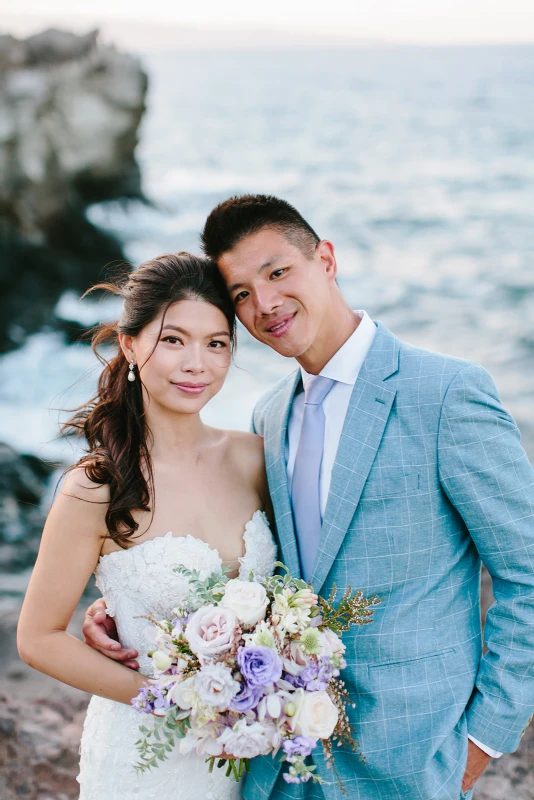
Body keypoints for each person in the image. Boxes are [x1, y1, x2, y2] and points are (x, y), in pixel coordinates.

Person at [83, 195, 534, 800]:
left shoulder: (446, 394)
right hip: (281, 763)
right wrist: (136, 611)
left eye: (277, 272)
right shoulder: (269, 419)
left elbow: (526, 574)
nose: (264, 303)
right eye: (240, 293)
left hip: (414, 759)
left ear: (325, 258)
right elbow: (261, 570)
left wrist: (482, 742)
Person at [17, 252, 277, 799]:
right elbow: (38, 638)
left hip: (251, 752)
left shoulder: (257, 460)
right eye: (174, 339)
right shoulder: (96, 487)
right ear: (130, 345)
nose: (196, 364)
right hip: (145, 757)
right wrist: (177, 701)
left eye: (216, 344)